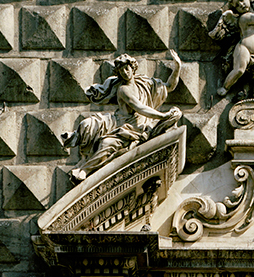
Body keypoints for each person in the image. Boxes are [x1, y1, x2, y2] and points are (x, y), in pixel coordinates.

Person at [61, 51, 183, 181]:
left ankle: (85, 168)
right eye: (121, 71)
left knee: (106, 143)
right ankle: (83, 163)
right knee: (97, 133)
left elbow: (169, 86)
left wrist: (177, 68)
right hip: (122, 124)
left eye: (126, 68)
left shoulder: (144, 83)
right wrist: (162, 116)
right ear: (118, 73)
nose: (125, 72)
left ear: (132, 68)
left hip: (139, 126)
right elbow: (139, 107)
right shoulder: (123, 89)